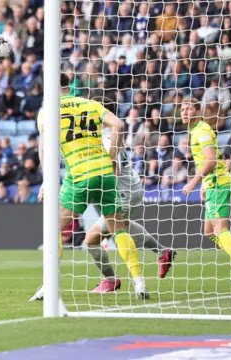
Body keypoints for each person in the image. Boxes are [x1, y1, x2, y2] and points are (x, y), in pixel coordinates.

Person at [30, 75, 149, 302]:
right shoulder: (89, 103)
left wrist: (47, 179)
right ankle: (138, 281)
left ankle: (50, 285)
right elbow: (118, 125)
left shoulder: (48, 111)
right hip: (105, 173)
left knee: (54, 227)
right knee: (118, 229)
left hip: (80, 174)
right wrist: (112, 158)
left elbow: (45, 147)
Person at [83, 99, 176, 294]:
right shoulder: (110, 134)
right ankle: (162, 251)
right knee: (123, 225)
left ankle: (111, 280)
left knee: (92, 240)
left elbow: (113, 170)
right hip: (133, 188)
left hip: (123, 193)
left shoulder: (108, 140)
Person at [180, 99, 231, 284]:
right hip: (212, 183)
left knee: (220, 229)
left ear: (198, 111)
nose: (184, 112)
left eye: (189, 109)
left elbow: (211, 160)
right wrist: (204, 184)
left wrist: (194, 182)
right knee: (209, 231)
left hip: (219, 183)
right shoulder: (195, 131)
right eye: (182, 109)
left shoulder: (203, 130)